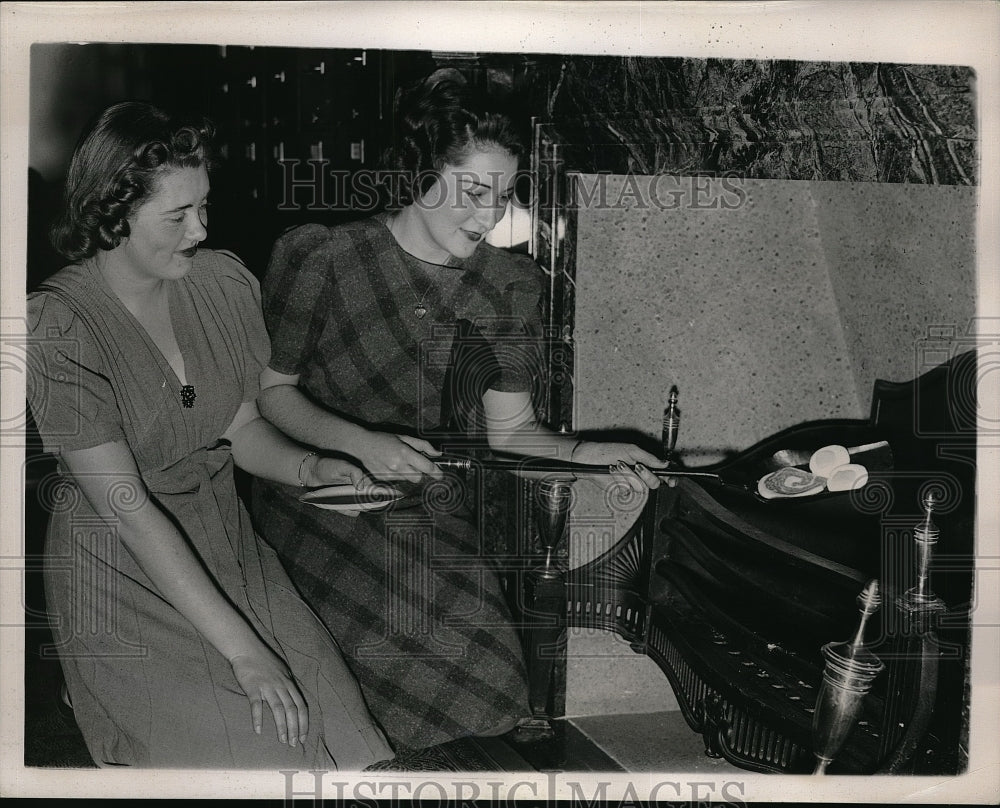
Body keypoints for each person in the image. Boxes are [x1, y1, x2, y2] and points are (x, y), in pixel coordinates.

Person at [251, 70, 666, 754]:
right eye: (473, 192)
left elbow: (513, 432)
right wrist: (358, 443)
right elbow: (272, 393)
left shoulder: (511, 286)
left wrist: (593, 455)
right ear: (421, 171)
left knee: (489, 682)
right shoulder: (322, 257)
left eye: (504, 195)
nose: (489, 216)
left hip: (422, 506)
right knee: (358, 685)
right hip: (313, 495)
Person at [25, 101, 394, 769]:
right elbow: (127, 510)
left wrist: (312, 468)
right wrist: (246, 652)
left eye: (204, 205)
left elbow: (240, 427)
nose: (201, 228)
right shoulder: (58, 324)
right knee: (264, 755)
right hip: (122, 570)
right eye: (177, 216)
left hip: (227, 545)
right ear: (112, 214)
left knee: (352, 746)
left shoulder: (220, 283)